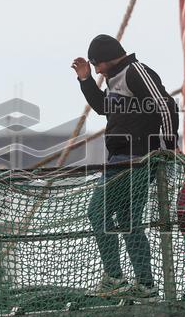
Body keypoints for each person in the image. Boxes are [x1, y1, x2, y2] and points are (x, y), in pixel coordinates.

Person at [71, 34, 179, 298]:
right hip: (123, 158)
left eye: (96, 64)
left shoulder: (135, 72)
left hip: (136, 159)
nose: (96, 69)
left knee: (97, 212)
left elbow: (166, 106)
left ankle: (114, 279)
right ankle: (145, 285)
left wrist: (168, 145)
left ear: (108, 58)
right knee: (129, 221)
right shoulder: (114, 79)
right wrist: (85, 79)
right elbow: (102, 107)